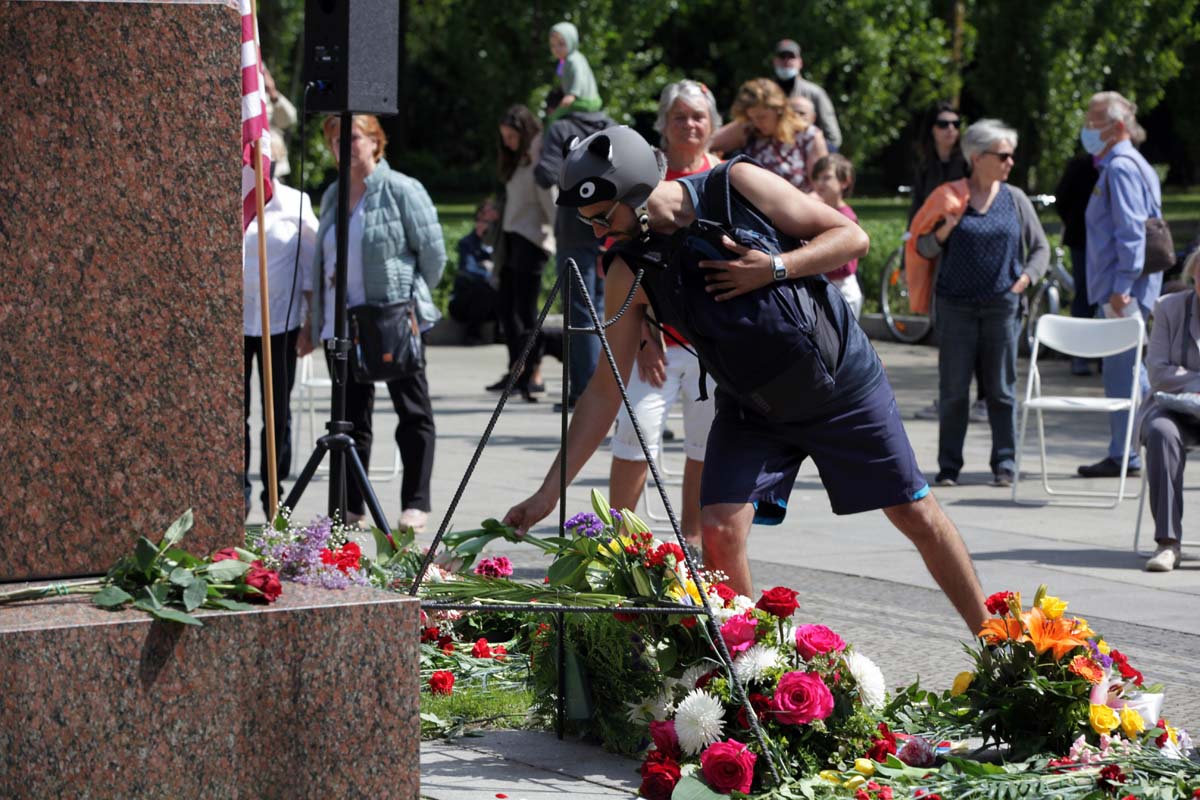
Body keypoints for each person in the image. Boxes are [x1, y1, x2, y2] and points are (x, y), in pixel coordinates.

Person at [504, 125, 988, 633]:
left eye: (604, 218)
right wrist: (547, 494)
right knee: (718, 529)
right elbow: (605, 390)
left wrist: (775, 267)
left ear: (638, 193)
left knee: (914, 514)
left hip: (840, 385)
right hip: (752, 405)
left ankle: (997, 644)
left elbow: (852, 238)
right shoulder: (629, 268)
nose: (600, 233)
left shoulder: (735, 185)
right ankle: (757, 671)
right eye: (589, 223)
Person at [299, 114, 445, 532]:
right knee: (350, 420)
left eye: (354, 137)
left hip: (392, 317)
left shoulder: (401, 189)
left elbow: (433, 254)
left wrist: (411, 299)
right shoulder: (332, 195)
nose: (343, 146)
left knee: (413, 412)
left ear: (375, 142)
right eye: (334, 140)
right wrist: (315, 322)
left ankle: (415, 503)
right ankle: (351, 507)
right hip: (342, 324)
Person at [608, 80, 721, 546]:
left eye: (698, 116)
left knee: (704, 441)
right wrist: (644, 337)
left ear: (711, 124)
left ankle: (692, 543)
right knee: (636, 429)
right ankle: (617, 544)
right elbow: (623, 263)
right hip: (653, 337)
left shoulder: (724, 178)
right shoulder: (646, 178)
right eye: (680, 116)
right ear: (664, 124)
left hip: (712, 342)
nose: (690, 124)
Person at [915, 119, 1049, 488]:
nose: (1009, 162)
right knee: (954, 391)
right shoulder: (949, 195)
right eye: (1002, 155)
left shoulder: (1015, 199)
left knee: (1002, 390)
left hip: (1002, 307)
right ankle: (948, 467)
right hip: (955, 307)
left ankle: (1005, 463)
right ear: (977, 157)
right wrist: (946, 227)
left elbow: (1041, 248)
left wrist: (1024, 280)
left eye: (1011, 156)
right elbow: (922, 247)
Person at [1077, 91, 1163, 479]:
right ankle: (1127, 450)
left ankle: (1139, 447)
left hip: (1122, 288)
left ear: (1118, 126)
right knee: (1126, 371)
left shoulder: (1121, 167)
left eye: (1095, 119)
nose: (1087, 126)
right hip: (1127, 285)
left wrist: (1122, 286)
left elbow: (1131, 233)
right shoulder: (1128, 164)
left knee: (1126, 374)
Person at [244, 134, 317, 519]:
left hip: (281, 322)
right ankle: (233, 489)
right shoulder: (234, 200)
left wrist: (309, 324)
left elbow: (311, 268)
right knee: (233, 411)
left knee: (277, 410)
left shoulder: (296, 204)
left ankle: (275, 496)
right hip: (236, 323)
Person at [533, 88, 615, 411]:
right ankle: (602, 392)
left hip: (574, 230)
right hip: (610, 227)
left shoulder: (561, 128)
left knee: (581, 314)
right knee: (608, 312)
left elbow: (545, 174)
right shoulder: (612, 126)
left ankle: (587, 393)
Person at [908, 103, 986, 425]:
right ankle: (950, 398)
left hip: (966, 252)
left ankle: (982, 400)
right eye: (943, 123)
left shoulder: (966, 165)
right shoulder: (926, 167)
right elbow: (917, 213)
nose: (950, 129)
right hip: (937, 252)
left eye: (956, 123)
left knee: (976, 333)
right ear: (932, 129)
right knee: (948, 332)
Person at [489, 105, 556, 400]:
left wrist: (559, 238)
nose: (508, 142)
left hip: (532, 240)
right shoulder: (516, 161)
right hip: (511, 238)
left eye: (512, 136)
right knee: (506, 309)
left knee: (526, 311)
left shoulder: (537, 160)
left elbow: (551, 204)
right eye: (504, 137)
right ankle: (516, 367)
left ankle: (533, 369)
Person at [1138, 250, 1200, 572]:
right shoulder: (1169, 308)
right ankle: (1168, 543)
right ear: (1193, 277)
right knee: (1161, 433)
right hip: (1173, 408)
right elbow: (1158, 372)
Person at [711, 78, 827, 193]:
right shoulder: (748, 129)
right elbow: (704, 142)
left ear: (779, 110)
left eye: (762, 117)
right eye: (752, 118)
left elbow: (823, 190)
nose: (757, 123)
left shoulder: (809, 135)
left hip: (799, 208)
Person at [1054, 152, 1102, 376]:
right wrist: (1074, 222)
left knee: (1106, 298)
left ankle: (1105, 356)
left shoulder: (1118, 165)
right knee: (1084, 295)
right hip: (1082, 241)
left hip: (1108, 244)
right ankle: (1080, 356)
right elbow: (1062, 199)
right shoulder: (1080, 165)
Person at [811, 153, 863, 318]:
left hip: (843, 293)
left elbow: (845, 265)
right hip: (827, 289)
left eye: (827, 177)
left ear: (845, 182)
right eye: (817, 178)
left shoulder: (846, 218)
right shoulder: (820, 212)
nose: (820, 183)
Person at [770, 38, 842, 151]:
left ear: (800, 62)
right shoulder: (764, 94)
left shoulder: (815, 93)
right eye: (782, 56)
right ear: (774, 61)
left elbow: (833, 137)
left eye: (791, 57)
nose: (786, 60)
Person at [449, 201, 500, 347]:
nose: (483, 224)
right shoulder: (468, 243)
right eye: (481, 219)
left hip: (492, 302)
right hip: (464, 303)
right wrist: (489, 271)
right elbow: (468, 269)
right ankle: (472, 335)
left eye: (489, 221)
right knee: (481, 289)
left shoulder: (499, 244)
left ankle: (501, 333)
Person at [548, 22, 603, 123]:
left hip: (584, 101)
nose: (556, 49)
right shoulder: (565, 60)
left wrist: (572, 94)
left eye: (561, 44)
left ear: (571, 41)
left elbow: (578, 77)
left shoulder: (572, 60)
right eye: (553, 45)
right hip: (581, 100)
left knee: (554, 119)